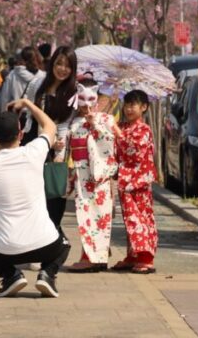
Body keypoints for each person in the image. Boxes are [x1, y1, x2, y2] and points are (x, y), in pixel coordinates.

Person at [0, 100, 71, 298]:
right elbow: (50, 126)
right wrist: (28, 104)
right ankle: (47, 274)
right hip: (46, 245)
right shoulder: (34, 151)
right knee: (65, 243)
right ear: (21, 134)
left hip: (7, 249)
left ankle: (11, 275)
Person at [20, 46, 78, 234]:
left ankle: (50, 244)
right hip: (32, 143)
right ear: (52, 63)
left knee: (54, 199)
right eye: (59, 63)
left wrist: (58, 150)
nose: (62, 69)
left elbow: (64, 125)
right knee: (31, 199)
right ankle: (31, 244)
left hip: (54, 150)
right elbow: (28, 111)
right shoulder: (37, 84)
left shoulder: (72, 92)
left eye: (67, 66)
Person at [66, 81, 121, 272]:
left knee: (100, 216)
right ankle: (92, 256)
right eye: (82, 100)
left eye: (90, 99)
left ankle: (95, 258)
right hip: (81, 172)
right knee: (85, 215)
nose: (86, 104)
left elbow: (113, 141)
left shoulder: (106, 119)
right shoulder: (74, 122)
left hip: (99, 175)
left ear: (97, 100)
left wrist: (95, 124)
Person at [114, 89, 158, 274]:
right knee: (130, 219)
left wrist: (118, 134)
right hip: (126, 181)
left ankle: (146, 257)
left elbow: (134, 151)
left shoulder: (144, 129)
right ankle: (133, 255)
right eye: (127, 104)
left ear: (144, 107)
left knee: (140, 218)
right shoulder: (123, 126)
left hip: (139, 182)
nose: (129, 109)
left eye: (133, 105)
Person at [0, 47, 41, 113]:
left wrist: (3, 114)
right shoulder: (42, 76)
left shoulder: (12, 75)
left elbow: (4, 98)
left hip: (16, 116)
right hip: (35, 116)